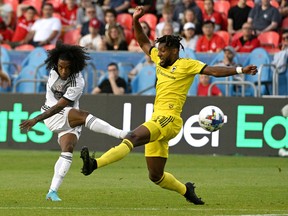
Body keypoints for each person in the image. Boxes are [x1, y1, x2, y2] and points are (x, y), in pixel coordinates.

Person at [80, 6, 257, 204]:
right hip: (157, 118)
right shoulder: (159, 59)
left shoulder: (186, 65)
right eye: (159, 51)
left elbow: (214, 71)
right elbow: (143, 42)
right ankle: (186, 190)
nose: (160, 54)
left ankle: (94, 164)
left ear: (174, 50)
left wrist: (241, 69)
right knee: (155, 176)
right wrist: (135, 20)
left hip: (170, 119)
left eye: (164, 51)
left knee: (132, 137)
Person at [19, 42, 128, 201]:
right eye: (60, 66)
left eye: (67, 68)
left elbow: (62, 105)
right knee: (84, 116)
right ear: (56, 64)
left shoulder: (78, 82)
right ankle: (123, 134)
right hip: (51, 114)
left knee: (67, 149)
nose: (63, 71)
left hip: (65, 115)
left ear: (74, 66)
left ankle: (52, 191)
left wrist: (35, 119)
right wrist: (36, 119)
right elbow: (57, 107)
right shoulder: (52, 72)